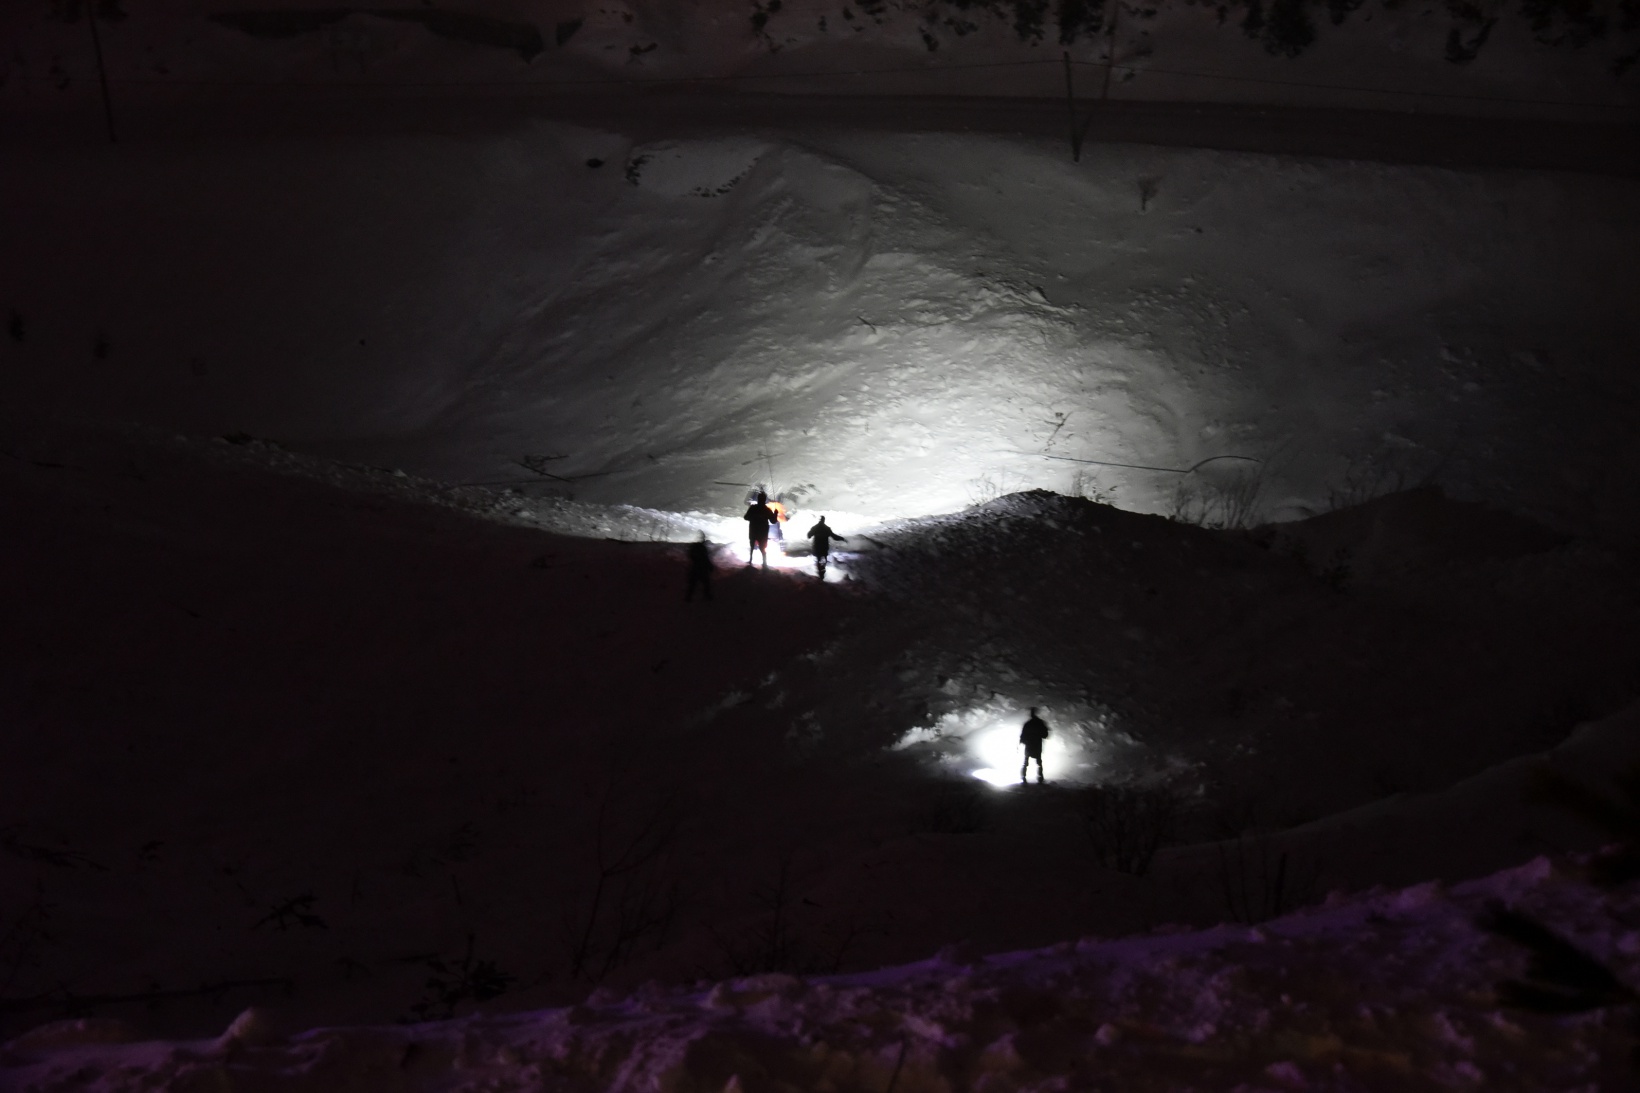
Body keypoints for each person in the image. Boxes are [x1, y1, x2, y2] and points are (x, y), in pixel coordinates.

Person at [743, 491, 777, 568]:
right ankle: (764, 563)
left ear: (758, 499)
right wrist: (775, 514)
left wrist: (754, 517)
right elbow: (773, 521)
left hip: (753, 530)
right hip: (763, 532)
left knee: (752, 546)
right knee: (762, 548)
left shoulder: (753, 508)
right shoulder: (767, 510)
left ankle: (751, 561)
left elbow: (746, 517)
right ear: (764, 500)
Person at [1020, 707, 1049, 784]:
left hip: (1029, 745)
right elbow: (1045, 734)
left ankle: (1024, 777)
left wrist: (1022, 741)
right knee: (1038, 762)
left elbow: (1023, 735)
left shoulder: (1028, 724)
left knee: (1026, 761)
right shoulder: (1040, 723)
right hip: (1036, 745)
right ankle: (1040, 777)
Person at [685, 533, 714, 602]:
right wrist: (710, 566)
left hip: (696, 568)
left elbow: (692, 556)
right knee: (704, 583)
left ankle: (688, 597)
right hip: (701, 568)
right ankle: (706, 596)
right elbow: (706, 558)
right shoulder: (701, 548)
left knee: (694, 584)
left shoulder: (695, 547)